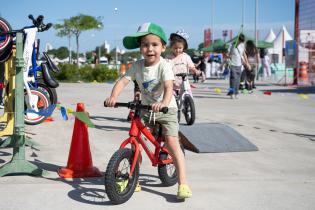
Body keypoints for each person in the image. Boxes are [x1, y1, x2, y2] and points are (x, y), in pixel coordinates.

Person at [104, 22, 192, 199]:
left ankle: (183, 183)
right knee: (136, 141)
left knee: (171, 143)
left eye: (154, 44)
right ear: (140, 48)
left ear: (163, 47)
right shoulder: (138, 65)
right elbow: (123, 81)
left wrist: (164, 103)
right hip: (145, 109)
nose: (149, 49)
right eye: (145, 45)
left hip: (166, 109)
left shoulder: (164, 66)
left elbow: (168, 87)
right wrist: (113, 97)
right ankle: (134, 179)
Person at [227, 33, 250, 99]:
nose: (241, 43)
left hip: (239, 65)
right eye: (241, 41)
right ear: (238, 40)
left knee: (238, 80)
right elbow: (228, 54)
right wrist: (229, 56)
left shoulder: (242, 45)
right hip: (232, 64)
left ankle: (236, 93)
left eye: (242, 41)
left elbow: (244, 54)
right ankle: (232, 93)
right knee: (233, 79)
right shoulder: (232, 45)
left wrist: (247, 62)